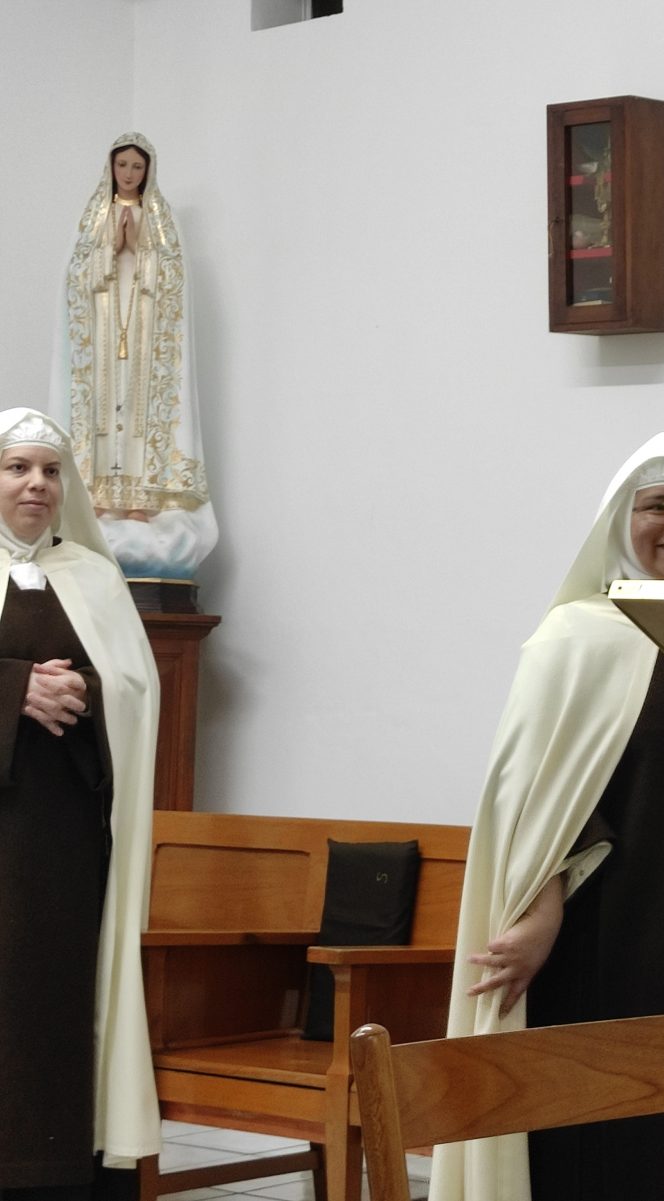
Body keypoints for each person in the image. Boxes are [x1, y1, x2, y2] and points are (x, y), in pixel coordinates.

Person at [433, 433, 664, 1201]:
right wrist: (537, 904)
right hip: (612, 934)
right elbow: (540, 797)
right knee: (610, 1127)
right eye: (656, 506)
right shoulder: (575, 637)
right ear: (620, 524)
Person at [0, 408, 161, 1198]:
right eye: (17, 467)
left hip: (65, 841)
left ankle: (59, 1171)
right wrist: (14, 689)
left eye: (50, 470)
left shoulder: (94, 576)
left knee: (57, 1005)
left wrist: (86, 692)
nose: (36, 483)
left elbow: (137, 689)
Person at [50, 132, 218, 579]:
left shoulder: (161, 218)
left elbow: (172, 278)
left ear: (148, 172)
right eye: (122, 165)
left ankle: (141, 500)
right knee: (103, 407)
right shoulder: (93, 216)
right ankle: (100, 498)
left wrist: (142, 247)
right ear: (111, 168)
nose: (128, 174)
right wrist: (110, 247)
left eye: (136, 167)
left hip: (143, 336)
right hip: (104, 336)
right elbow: (76, 276)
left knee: (143, 413)